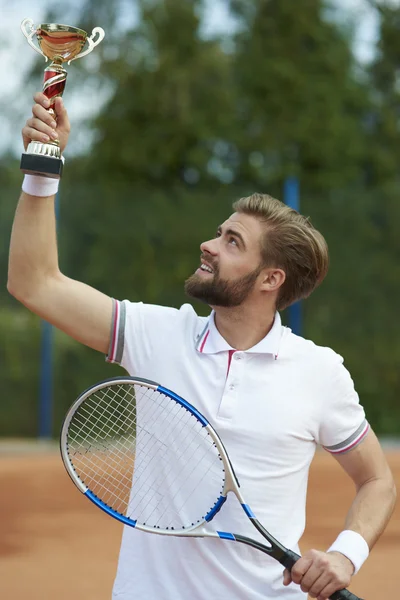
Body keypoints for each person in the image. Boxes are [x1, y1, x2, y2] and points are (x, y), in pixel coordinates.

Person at [8, 93, 396, 600]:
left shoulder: (319, 372)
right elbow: (34, 282)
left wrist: (346, 553)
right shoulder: (158, 335)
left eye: (233, 242)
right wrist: (43, 164)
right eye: (219, 232)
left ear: (270, 278)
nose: (209, 245)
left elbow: (377, 480)